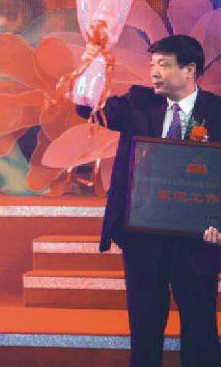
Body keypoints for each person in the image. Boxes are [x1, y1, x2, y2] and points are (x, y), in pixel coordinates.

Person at [75, 34, 221, 366]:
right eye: (152, 64)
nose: (154, 73)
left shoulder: (217, 111)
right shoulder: (137, 103)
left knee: (201, 330)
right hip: (144, 237)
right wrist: (91, 65)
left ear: (189, 70)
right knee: (144, 330)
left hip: (198, 240)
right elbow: (87, 108)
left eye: (164, 65)